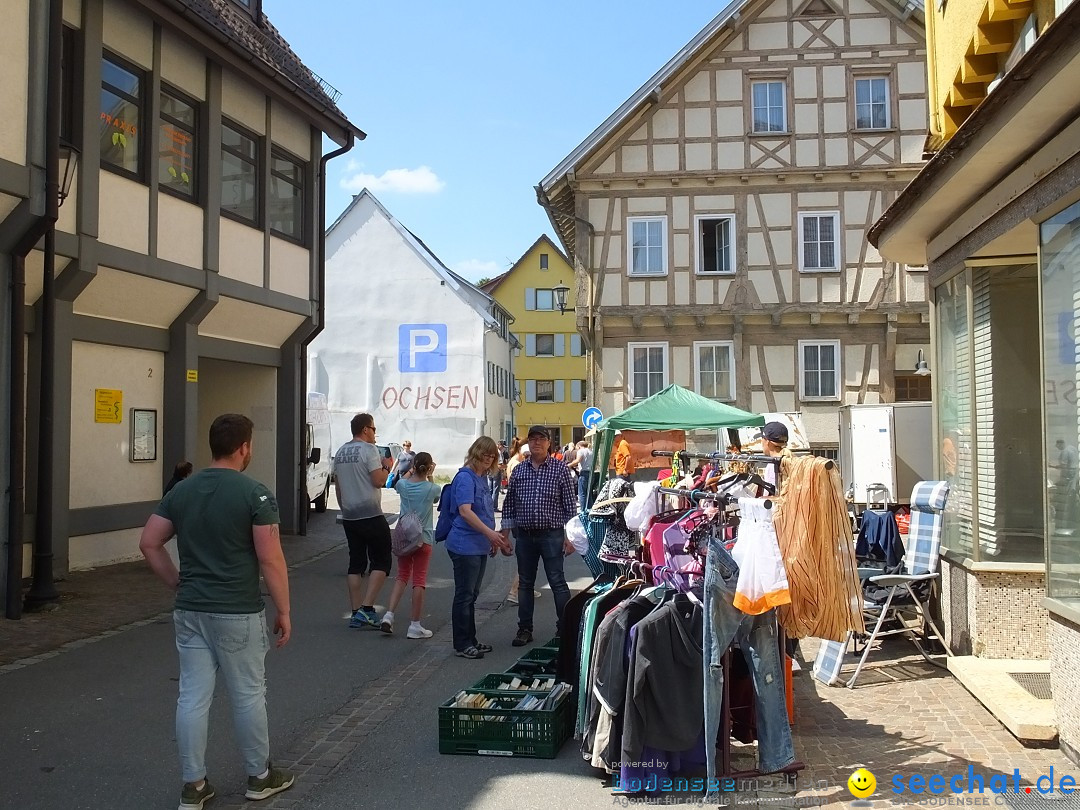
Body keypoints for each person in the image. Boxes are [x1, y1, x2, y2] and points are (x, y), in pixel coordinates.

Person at [138, 413, 294, 809]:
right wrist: (284, 610)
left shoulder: (182, 491)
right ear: (244, 447)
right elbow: (271, 559)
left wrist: (176, 581)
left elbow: (149, 543)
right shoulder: (255, 494)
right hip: (237, 610)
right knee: (247, 696)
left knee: (192, 697)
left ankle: (194, 784)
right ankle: (259, 776)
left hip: (191, 609)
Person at [500, 425, 577, 647]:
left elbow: (570, 506)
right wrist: (504, 535)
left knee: (558, 582)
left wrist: (569, 536)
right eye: (532, 439)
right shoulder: (519, 470)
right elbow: (510, 504)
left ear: (548, 443)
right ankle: (524, 629)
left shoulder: (560, 469)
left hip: (551, 535)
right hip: (524, 536)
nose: (536, 443)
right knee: (525, 584)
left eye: (540, 439)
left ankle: (564, 628)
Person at [446, 437, 512, 659]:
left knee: (472, 595)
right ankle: (462, 643)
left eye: (492, 456)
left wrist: (490, 540)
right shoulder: (465, 477)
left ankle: (470, 639)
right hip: (464, 545)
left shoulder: (482, 477)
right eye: (485, 454)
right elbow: (465, 511)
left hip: (478, 545)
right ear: (475, 453)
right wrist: (490, 534)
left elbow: (483, 512)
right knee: (464, 596)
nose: (489, 459)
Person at [334, 413, 395, 629]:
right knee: (382, 560)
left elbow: (338, 486)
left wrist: (344, 507)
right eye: (374, 429)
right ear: (365, 429)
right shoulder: (369, 450)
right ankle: (368, 609)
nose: (375, 434)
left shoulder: (341, 452)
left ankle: (355, 610)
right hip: (370, 512)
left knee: (356, 563)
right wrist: (388, 466)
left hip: (350, 515)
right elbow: (378, 481)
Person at [382, 452, 441, 638]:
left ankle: (389, 615)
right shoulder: (432, 489)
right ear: (429, 467)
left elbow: (401, 480)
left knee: (402, 576)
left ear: (414, 466)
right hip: (423, 538)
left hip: (404, 538)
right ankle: (415, 625)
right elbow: (435, 497)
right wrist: (430, 472)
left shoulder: (403, 485)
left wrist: (410, 470)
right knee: (419, 580)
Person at [568, 440, 593, 507]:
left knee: (582, 493)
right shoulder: (591, 451)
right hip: (591, 473)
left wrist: (569, 465)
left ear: (579, 446)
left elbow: (578, 460)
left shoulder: (581, 451)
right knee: (589, 493)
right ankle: (590, 509)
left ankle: (583, 510)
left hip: (584, 473)